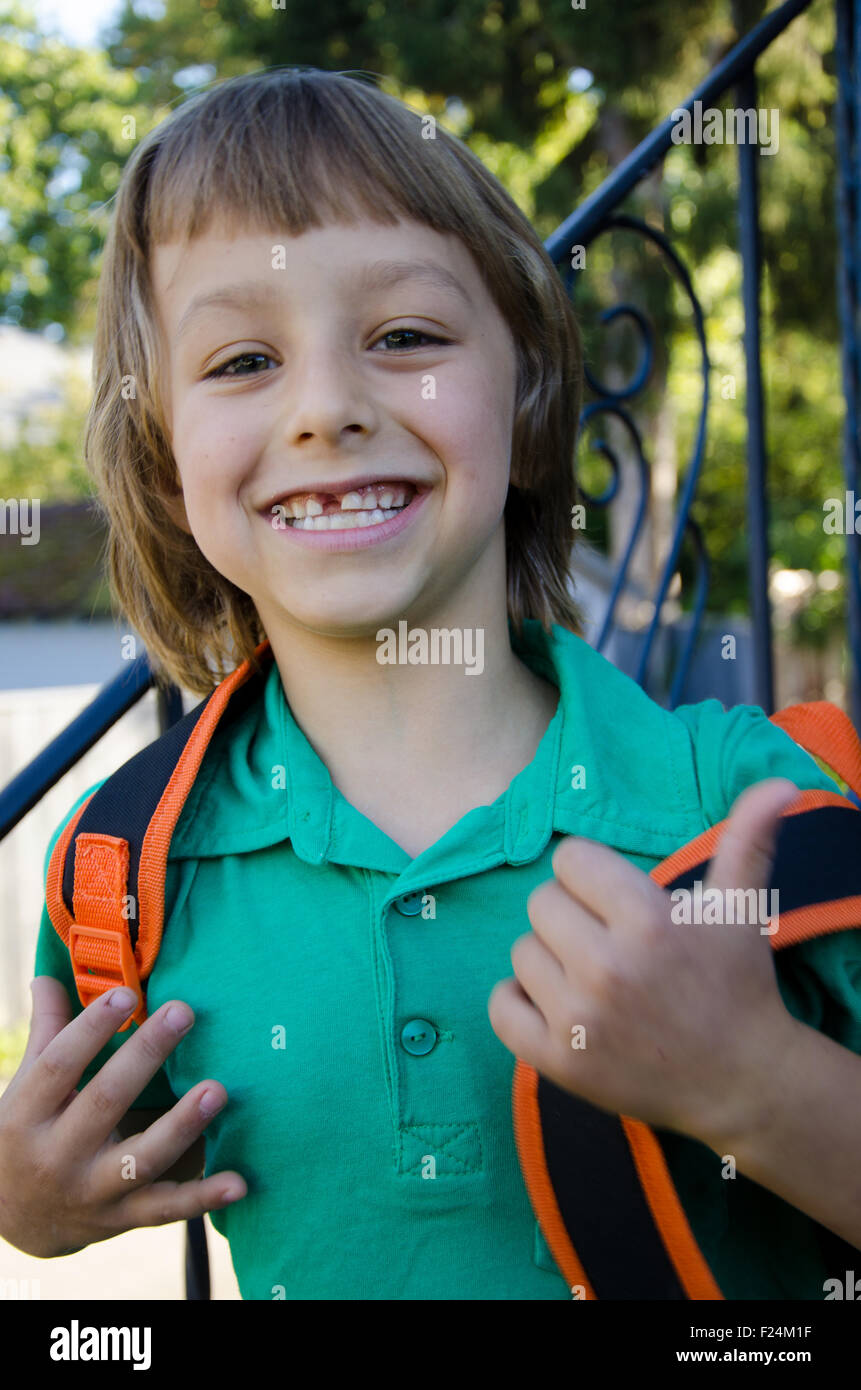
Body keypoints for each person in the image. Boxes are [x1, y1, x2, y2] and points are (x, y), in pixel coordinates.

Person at [1, 67, 859, 1300]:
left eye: (405, 337)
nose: (328, 408)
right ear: (164, 449)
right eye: (242, 359)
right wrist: (25, 1206)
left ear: (526, 388)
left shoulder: (754, 812)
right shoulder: (116, 872)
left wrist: (753, 1087)